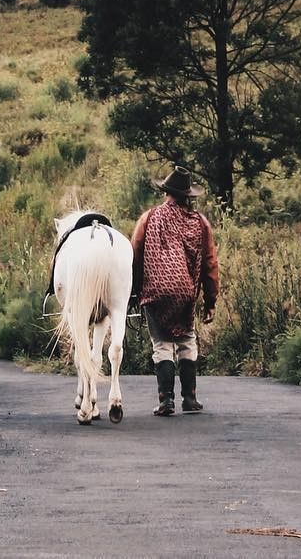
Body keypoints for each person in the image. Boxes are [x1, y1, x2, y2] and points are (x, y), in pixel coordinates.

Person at [131, 165, 220, 416]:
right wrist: (210, 299)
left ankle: (166, 401)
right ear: (188, 196)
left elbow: (135, 253)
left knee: (161, 345)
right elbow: (210, 263)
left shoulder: (149, 218)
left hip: (155, 290)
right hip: (185, 291)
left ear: (166, 193)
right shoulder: (199, 222)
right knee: (186, 340)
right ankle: (190, 399)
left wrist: (136, 290)